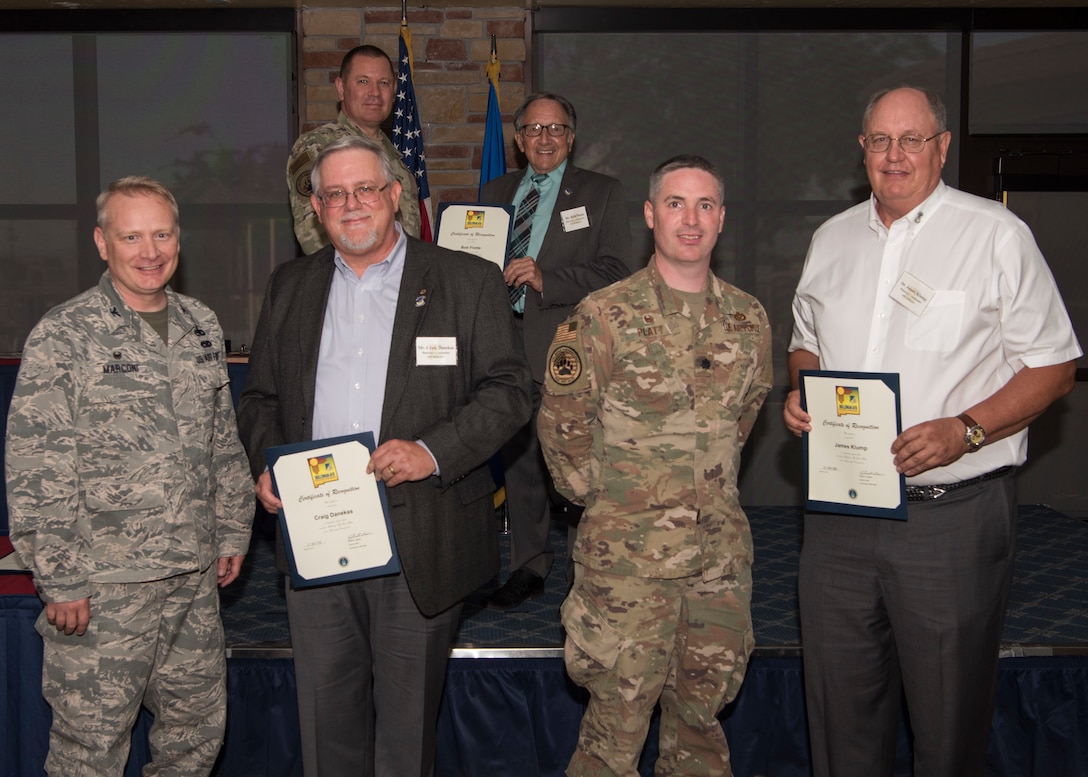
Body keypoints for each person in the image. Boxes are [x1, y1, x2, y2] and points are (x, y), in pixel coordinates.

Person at [784, 86, 1082, 777]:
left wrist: (966, 431)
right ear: (862, 150)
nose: (894, 155)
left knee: (948, 734)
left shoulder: (996, 235)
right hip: (838, 519)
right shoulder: (831, 239)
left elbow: (1056, 366)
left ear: (941, 147)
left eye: (911, 139)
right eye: (880, 140)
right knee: (840, 726)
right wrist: (802, 389)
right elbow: (804, 344)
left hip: (952, 521)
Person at [238, 134, 531, 777]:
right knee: (326, 729)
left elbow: (511, 391)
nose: (351, 204)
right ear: (315, 208)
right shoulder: (290, 286)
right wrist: (269, 463)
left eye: (365, 188)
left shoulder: (464, 279)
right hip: (317, 535)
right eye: (334, 193)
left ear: (394, 195)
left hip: (421, 533)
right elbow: (259, 396)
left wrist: (433, 451)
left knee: (405, 739)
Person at [5, 176, 253, 776]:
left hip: (192, 580)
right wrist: (60, 579)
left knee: (195, 739)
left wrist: (232, 532)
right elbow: (37, 462)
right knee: (90, 749)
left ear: (178, 239)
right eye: (132, 235)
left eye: (162, 234)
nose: (150, 251)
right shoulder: (65, 334)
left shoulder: (199, 325)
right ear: (102, 242)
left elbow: (223, 441)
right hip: (104, 586)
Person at [539, 155, 773, 776]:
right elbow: (564, 424)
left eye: (704, 205)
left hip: (717, 564)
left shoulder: (748, 320)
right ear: (650, 215)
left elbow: (744, 418)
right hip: (627, 568)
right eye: (675, 204)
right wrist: (610, 501)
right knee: (612, 738)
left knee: (700, 729)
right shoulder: (603, 315)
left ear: (721, 218)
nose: (689, 220)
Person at [480, 92, 632, 608]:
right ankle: (529, 565)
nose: (545, 138)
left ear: (571, 137)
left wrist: (548, 277)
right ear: (519, 140)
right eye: (534, 129)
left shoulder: (602, 193)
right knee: (519, 460)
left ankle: (585, 568)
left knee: (576, 464)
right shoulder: (494, 192)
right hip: (503, 345)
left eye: (556, 129)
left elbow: (616, 272)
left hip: (569, 348)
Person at [287, 44, 421, 253]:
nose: (375, 92)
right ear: (341, 88)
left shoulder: (397, 161)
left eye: (383, 83)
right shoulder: (319, 148)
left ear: (394, 90)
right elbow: (314, 238)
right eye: (363, 81)